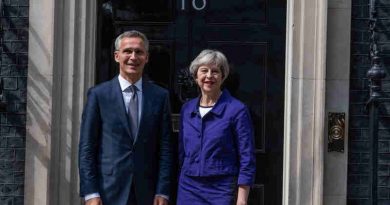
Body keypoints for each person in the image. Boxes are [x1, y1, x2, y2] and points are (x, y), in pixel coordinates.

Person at [79, 30, 172, 205]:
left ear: (147, 57)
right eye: (127, 51)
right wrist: (90, 192)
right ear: (116, 56)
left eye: (139, 52)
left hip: (147, 192)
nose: (133, 57)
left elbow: (165, 148)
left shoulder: (160, 96)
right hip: (108, 191)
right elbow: (87, 147)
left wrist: (163, 190)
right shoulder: (99, 95)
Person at [177, 49, 256, 205]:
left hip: (221, 189)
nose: (209, 76)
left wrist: (242, 198)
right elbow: (182, 151)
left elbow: (247, 156)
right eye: (204, 71)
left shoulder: (236, 109)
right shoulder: (186, 109)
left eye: (215, 71)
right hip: (189, 187)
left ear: (223, 76)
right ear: (196, 75)